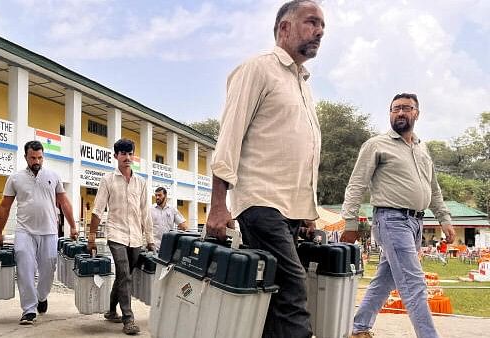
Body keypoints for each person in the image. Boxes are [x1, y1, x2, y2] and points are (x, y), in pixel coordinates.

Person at [206, 1, 325, 337]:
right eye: (311, 22)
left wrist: (306, 212)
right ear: (284, 28)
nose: (319, 31)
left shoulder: (303, 83)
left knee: (274, 299)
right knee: (293, 291)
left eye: (322, 27)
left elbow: (298, 150)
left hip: (289, 210)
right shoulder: (257, 69)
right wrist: (218, 206)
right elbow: (228, 139)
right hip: (261, 202)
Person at [340, 93, 456, 338]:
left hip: (416, 222)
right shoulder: (376, 144)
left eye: (406, 108)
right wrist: (350, 221)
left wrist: (444, 219)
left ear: (417, 113)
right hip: (391, 220)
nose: (400, 112)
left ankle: (359, 328)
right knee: (414, 283)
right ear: (390, 113)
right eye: (395, 109)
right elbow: (356, 184)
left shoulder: (422, 148)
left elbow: (433, 189)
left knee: (386, 278)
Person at [0, 140, 78, 325]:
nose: (37, 161)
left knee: (48, 268)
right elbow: (4, 207)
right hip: (24, 231)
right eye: (33, 157)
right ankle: (29, 310)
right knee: (25, 268)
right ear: (26, 157)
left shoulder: (53, 176)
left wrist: (72, 226)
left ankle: (41, 296)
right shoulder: (15, 178)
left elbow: (64, 203)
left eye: (40, 157)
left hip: (49, 231)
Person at [86, 138, 154, 335]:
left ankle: (110, 310)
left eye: (130, 153)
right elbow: (98, 210)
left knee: (124, 275)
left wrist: (149, 239)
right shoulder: (107, 180)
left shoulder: (141, 182)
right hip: (116, 234)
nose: (127, 157)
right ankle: (128, 319)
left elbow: (145, 212)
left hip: (136, 237)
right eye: (123, 154)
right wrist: (91, 238)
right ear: (115, 156)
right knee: (124, 273)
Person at [151, 187, 187, 251]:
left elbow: (183, 226)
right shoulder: (150, 209)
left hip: (168, 246)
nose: (157, 197)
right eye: (156, 195)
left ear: (165, 195)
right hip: (154, 247)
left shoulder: (172, 209)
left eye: (159, 195)